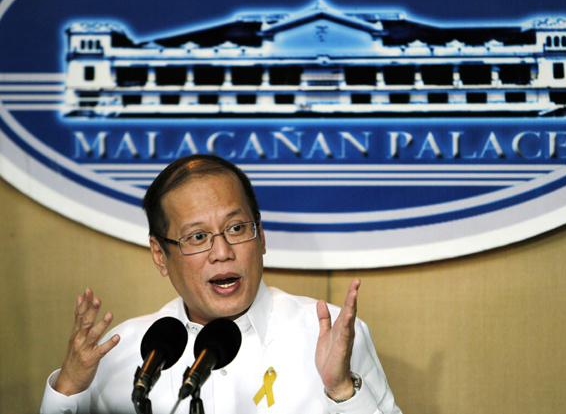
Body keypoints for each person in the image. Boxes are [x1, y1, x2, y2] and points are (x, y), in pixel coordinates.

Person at [40, 155, 401, 414]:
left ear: (261, 238)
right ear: (160, 255)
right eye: (197, 237)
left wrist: (342, 391)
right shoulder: (125, 354)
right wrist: (69, 387)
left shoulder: (329, 335)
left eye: (237, 228)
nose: (223, 252)